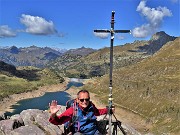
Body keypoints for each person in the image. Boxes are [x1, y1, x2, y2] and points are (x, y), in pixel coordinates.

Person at [49, 89, 115, 135]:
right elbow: (59, 121)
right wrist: (53, 114)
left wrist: (108, 110)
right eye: (82, 100)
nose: (85, 102)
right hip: (80, 132)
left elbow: (97, 112)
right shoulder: (73, 110)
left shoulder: (91, 106)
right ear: (77, 100)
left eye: (87, 99)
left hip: (94, 131)